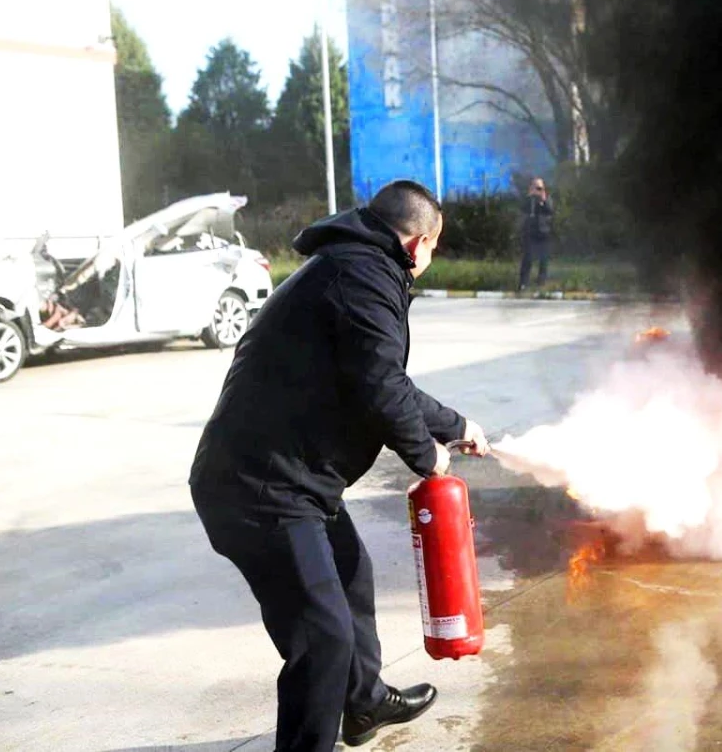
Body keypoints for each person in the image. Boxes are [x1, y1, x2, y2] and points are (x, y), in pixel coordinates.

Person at [189, 180, 490, 752]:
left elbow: (379, 378)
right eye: (435, 246)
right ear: (421, 241)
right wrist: (427, 457)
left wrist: (454, 425)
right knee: (321, 636)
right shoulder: (362, 277)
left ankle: (363, 703)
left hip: (295, 479)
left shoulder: (354, 266)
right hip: (261, 489)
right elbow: (379, 387)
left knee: (351, 575)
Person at [518, 177, 554, 290]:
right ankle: (523, 283)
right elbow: (522, 209)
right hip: (530, 232)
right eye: (535, 187)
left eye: (540, 188)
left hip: (543, 231)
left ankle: (541, 282)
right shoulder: (528, 200)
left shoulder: (547, 199)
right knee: (527, 258)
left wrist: (543, 200)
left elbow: (550, 210)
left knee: (543, 259)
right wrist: (530, 196)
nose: (537, 190)